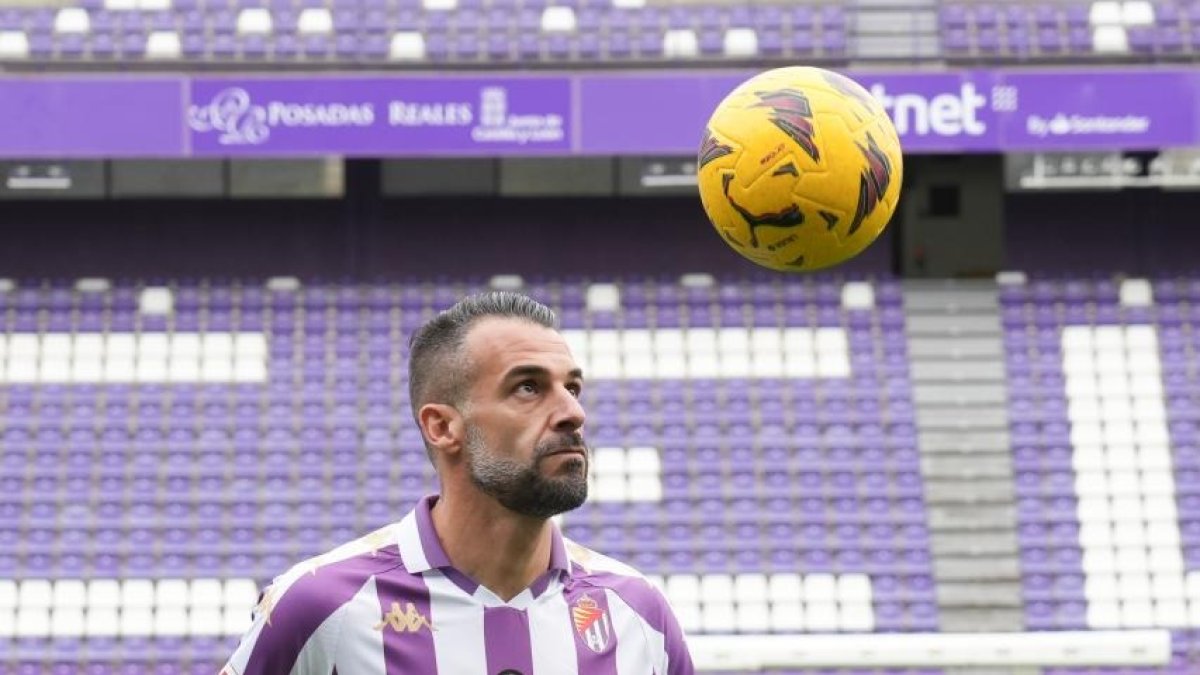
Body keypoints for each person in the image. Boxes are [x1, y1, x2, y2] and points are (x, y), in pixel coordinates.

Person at [222, 291, 695, 674]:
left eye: (571, 387)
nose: (574, 412)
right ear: (442, 427)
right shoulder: (322, 605)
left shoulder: (637, 612)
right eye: (528, 387)